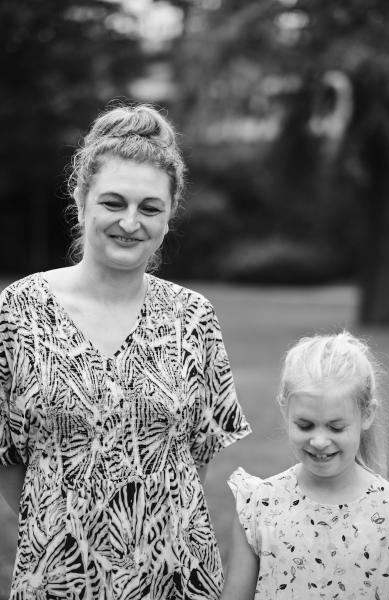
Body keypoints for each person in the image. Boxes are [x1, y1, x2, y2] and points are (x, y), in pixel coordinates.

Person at [0, 102, 251, 599]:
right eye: (113, 203)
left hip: (175, 575)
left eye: (150, 208)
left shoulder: (193, 317)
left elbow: (195, 460)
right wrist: (68, 527)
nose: (130, 223)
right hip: (58, 575)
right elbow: (6, 459)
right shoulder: (18, 310)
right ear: (81, 201)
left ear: (169, 215)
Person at [221, 331, 389, 600]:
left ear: (367, 414)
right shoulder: (258, 506)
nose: (319, 441)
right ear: (285, 410)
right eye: (305, 425)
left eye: (335, 427)